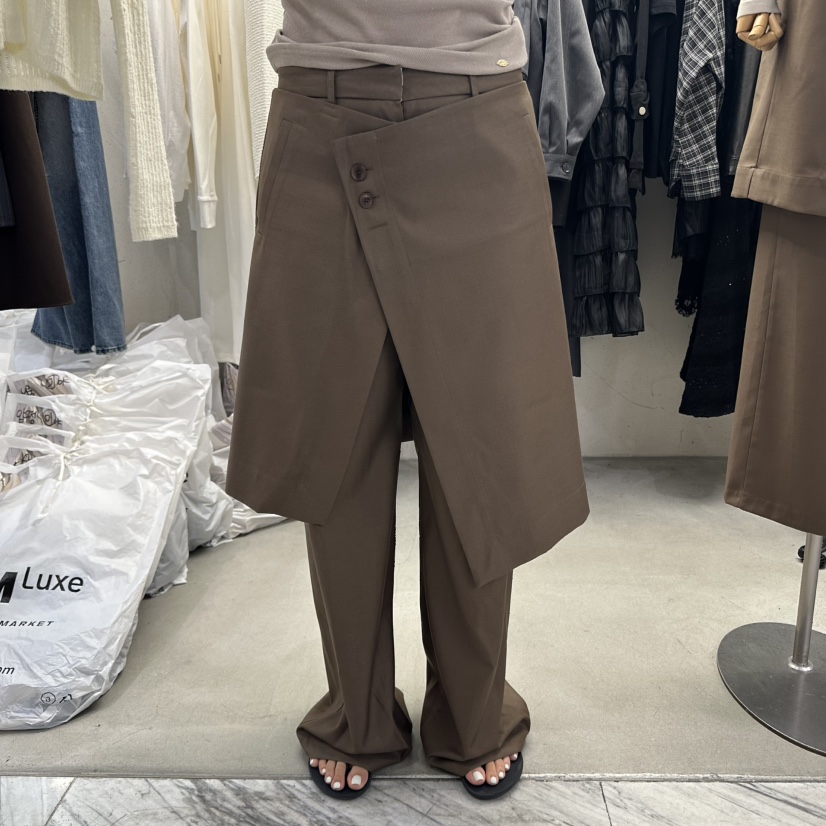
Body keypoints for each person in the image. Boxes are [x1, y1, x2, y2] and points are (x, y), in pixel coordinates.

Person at [225, 0, 591, 800]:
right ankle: (356, 711)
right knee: (337, 444)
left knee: (478, 449)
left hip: (474, 104)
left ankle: (473, 711)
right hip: (321, 105)